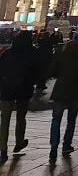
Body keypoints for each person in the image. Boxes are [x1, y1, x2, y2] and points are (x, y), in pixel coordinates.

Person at [48, 33, 78, 163]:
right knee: (71, 120)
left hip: (60, 90)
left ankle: (54, 146)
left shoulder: (62, 52)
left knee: (56, 119)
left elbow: (52, 70)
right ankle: (66, 145)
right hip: (75, 90)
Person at [0, 31, 38, 162]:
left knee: (4, 120)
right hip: (24, 90)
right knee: (21, 117)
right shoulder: (33, 54)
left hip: (6, 90)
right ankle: (19, 142)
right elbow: (37, 72)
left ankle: (2, 150)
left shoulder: (7, 53)